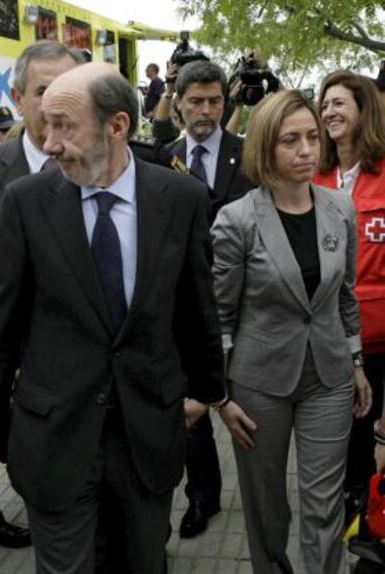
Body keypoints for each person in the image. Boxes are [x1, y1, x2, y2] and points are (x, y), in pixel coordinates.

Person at [0, 62, 251, 574]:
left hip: (146, 440)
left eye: (64, 126)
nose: (48, 143)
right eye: (44, 124)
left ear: (117, 126)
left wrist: (209, 393)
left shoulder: (180, 199)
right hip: (54, 440)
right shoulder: (26, 202)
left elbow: (196, 311)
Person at [211, 89, 372, 573]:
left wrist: (357, 361)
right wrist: (220, 396)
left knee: (324, 502)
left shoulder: (339, 208)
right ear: (264, 147)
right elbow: (219, 316)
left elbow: (345, 294)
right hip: (259, 383)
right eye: (290, 140)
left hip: (329, 374)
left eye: (311, 137)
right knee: (266, 504)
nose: (307, 150)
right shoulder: (236, 220)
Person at [0, 40, 82, 551]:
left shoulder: (112, 165)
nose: (58, 101)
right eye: (43, 91)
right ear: (17, 98)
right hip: (24, 391)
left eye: (70, 88)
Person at [164, 59, 253, 539]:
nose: (205, 110)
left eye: (214, 101)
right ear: (178, 103)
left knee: (250, 402)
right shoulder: (161, 157)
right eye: (195, 101)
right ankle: (202, 497)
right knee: (194, 405)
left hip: (247, 303)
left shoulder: (249, 153)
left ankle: (262, 493)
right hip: (186, 305)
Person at [314, 71, 385, 574]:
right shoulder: (312, 175)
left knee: (375, 425)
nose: (329, 111)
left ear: (364, 109)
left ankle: (373, 516)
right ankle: (351, 503)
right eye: (324, 105)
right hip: (326, 338)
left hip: (380, 338)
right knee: (344, 433)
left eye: (339, 102)